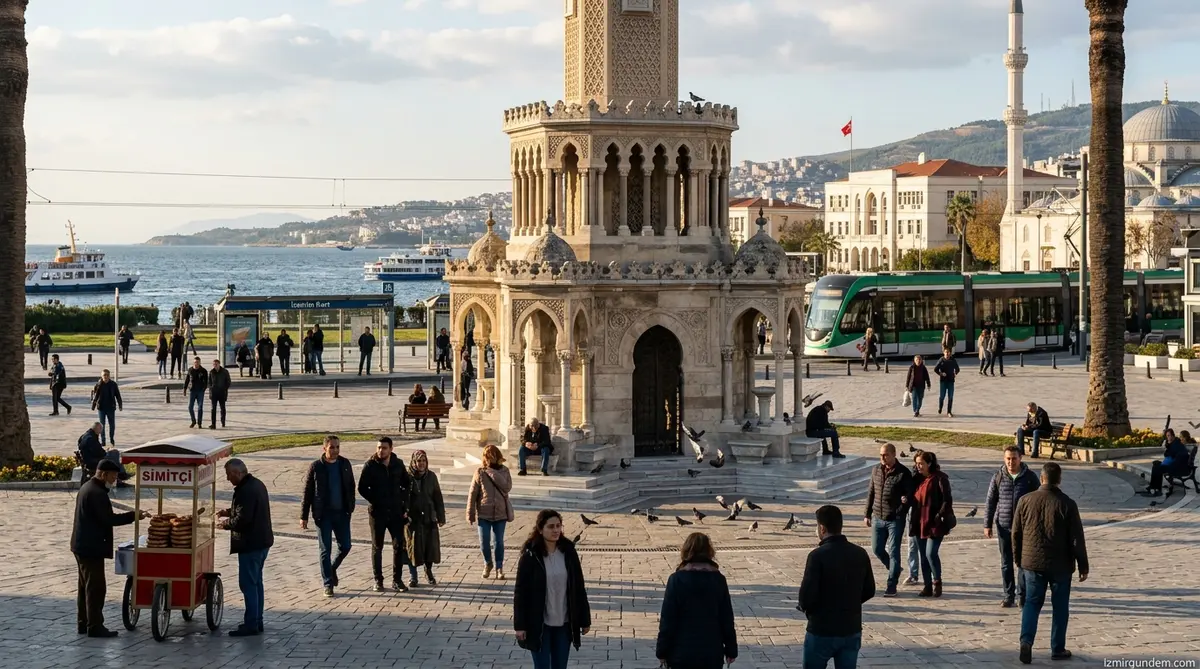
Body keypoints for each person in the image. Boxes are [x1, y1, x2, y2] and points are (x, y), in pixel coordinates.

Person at [1012, 462, 1089, 664]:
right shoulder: (1067, 504)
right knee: (1060, 606)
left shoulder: (1025, 500)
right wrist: (1083, 565)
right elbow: (1076, 538)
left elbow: (1016, 533)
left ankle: (1026, 641)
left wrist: (1018, 559)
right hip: (1060, 565)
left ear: (1042, 478)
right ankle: (1057, 647)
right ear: (1059, 480)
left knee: (1031, 603)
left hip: (1031, 563)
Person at [71, 460, 150, 637]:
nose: (114, 480)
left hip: (82, 545)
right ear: (103, 474)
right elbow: (109, 519)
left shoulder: (88, 487)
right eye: (113, 476)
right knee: (96, 588)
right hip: (90, 547)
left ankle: (84, 622)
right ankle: (95, 626)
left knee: (85, 587)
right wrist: (134, 516)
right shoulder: (97, 493)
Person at [797, 505, 874, 669]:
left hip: (821, 629)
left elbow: (806, 597)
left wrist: (812, 609)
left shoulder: (817, 556)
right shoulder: (860, 553)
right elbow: (869, 590)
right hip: (851, 627)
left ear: (822, 528)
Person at [514, 509, 592, 669]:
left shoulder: (569, 552)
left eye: (558, 526)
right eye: (551, 527)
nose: (556, 530)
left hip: (564, 623)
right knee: (542, 666)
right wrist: (520, 625)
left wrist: (585, 620)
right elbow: (521, 593)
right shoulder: (530, 556)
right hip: (539, 624)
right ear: (540, 529)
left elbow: (578, 587)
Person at [656, 533, 738, 669]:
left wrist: (662, 651)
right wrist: (731, 650)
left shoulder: (676, 580)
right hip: (711, 652)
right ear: (709, 552)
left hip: (681, 652)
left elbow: (668, 619)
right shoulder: (718, 580)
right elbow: (726, 618)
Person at [216, 458, 274, 637]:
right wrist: (228, 511)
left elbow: (243, 519)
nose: (227, 479)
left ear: (237, 473)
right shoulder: (256, 484)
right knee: (256, 583)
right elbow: (245, 509)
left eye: (228, 475)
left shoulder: (245, 490)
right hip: (262, 542)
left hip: (251, 544)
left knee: (248, 584)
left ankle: (251, 624)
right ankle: (257, 620)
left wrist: (225, 524)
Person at [985, 445, 1041, 608]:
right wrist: (987, 524)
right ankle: (1008, 594)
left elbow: (1038, 501)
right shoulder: (998, 477)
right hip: (1003, 526)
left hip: (1024, 528)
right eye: (1008, 459)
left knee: (1023, 563)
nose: (1011, 462)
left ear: (1020, 458)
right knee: (1006, 562)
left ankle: (1022, 596)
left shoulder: (1030, 477)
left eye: (1014, 458)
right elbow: (990, 501)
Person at [300, 435, 356, 597]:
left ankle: (331, 569)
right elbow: (307, 492)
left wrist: (350, 506)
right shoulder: (316, 467)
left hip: (342, 513)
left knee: (345, 546)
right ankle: (328, 583)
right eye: (332, 447)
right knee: (325, 549)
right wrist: (304, 516)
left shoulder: (345, 464)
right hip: (323, 515)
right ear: (324, 448)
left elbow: (351, 486)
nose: (335, 450)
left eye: (337, 447)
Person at [357, 436, 411, 592]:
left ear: (391, 449)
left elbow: (407, 484)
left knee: (398, 545)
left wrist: (402, 503)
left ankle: (397, 580)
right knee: (377, 546)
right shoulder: (370, 465)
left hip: (395, 512)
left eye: (384, 448)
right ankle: (378, 580)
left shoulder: (398, 464)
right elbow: (362, 487)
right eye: (379, 447)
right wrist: (375, 500)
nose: (381, 451)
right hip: (377, 513)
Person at [864, 442, 913, 597]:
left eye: (885, 455)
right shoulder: (876, 470)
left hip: (895, 520)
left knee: (893, 551)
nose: (883, 458)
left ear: (893, 455)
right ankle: (895, 569)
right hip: (877, 517)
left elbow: (909, 496)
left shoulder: (903, 473)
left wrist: (899, 511)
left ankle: (892, 584)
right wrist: (867, 513)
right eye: (881, 455)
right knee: (877, 549)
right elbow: (871, 492)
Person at [468, 444, 514, 580]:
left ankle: (499, 567)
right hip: (484, 512)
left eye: (492, 456)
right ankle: (488, 563)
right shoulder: (480, 472)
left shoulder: (504, 471)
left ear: (497, 456)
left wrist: (493, 472)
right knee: (484, 542)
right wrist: (470, 513)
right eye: (487, 456)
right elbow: (473, 493)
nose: (489, 459)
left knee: (498, 542)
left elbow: (507, 487)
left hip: (500, 512)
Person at [911, 450, 954, 598]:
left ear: (929, 463)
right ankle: (927, 585)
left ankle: (937, 581)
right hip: (919, 522)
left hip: (934, 522)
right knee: (923, 555)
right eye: (916, 464)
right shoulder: (917, 479)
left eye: (921, 463)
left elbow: (947, 500)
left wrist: (938, 516)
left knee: (931, 553)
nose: (918, 466)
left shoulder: (940, 478)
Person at [406, 450, 446, 588]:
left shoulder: (431, 476)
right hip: (413, 518)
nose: (421, 464)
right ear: (414, 462)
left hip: (429, 516)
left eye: (423, 461)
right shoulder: (408, 477)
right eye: (418, 461)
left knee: (430, 546)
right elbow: (403, 497)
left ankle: (428, 571)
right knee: (413, 547)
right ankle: (413, 576)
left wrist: (440, 516)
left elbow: (437, 497)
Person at [1142, 428, 1190, 497]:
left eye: (1169, 435)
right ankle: (1153, 487)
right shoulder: (1176, 443)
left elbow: (1168, 454)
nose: (1168, 437)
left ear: (1173, 435)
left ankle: (1157, 489)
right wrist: (1168, 446)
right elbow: (1170, 454)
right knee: (1156, 464)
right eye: (1167, 436)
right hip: (1175, 465)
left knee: (1157, 467)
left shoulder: (1177, 444)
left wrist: (1168, 446)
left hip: (1176, 468)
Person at [90, 369, 122, 446]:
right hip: (101, 408)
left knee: (112, 425)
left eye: (107, 375)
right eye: (104, 375)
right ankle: (103, 440)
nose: (106, 376)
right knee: (101, 425)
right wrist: (93, 405)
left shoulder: (113, 384)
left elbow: (118, 395)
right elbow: (95, 396)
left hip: (111, 407)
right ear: (101, 376)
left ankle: (111, 439)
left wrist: (120, 405)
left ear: (109, 376)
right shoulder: (98, 384)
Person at [933, 347, 960, 418]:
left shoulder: (953, 360)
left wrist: (955, 373)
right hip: (943, 381)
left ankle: (949, 411)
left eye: (948, 352)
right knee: (942, 396)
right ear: (943, 353)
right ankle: (940, 407)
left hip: (951, 381)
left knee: (950, 396)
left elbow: (957, 369)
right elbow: (935, 369)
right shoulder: (941, 360)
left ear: (950, 353)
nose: (947, 354)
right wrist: (941, 374)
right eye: (946, 352)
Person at [183, 356, 209, 428]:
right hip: (192, 390)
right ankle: (193, 421)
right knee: (190, 407)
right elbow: (187, 380)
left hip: (200, 391)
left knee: (200, 407)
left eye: (197, 362)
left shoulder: (203, 371)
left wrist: (203, 389)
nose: (196, 364)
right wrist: (185, 389)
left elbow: (206, 381)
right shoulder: (190, 370)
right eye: (195, 362)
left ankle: (199, 423)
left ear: (200, 363)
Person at [209, 359, 231, 429]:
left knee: (222, 408)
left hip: (222, 393)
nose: (215, 366)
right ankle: (213, 424)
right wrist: (211, 389)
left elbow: (228, 381)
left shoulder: (224, 371)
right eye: (214, 364)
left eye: (216, 364)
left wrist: (224, 388)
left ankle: (223, 422)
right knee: (213, 409)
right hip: (214, 393)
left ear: (219, 364)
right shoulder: (211, 372)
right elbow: (209, 382)